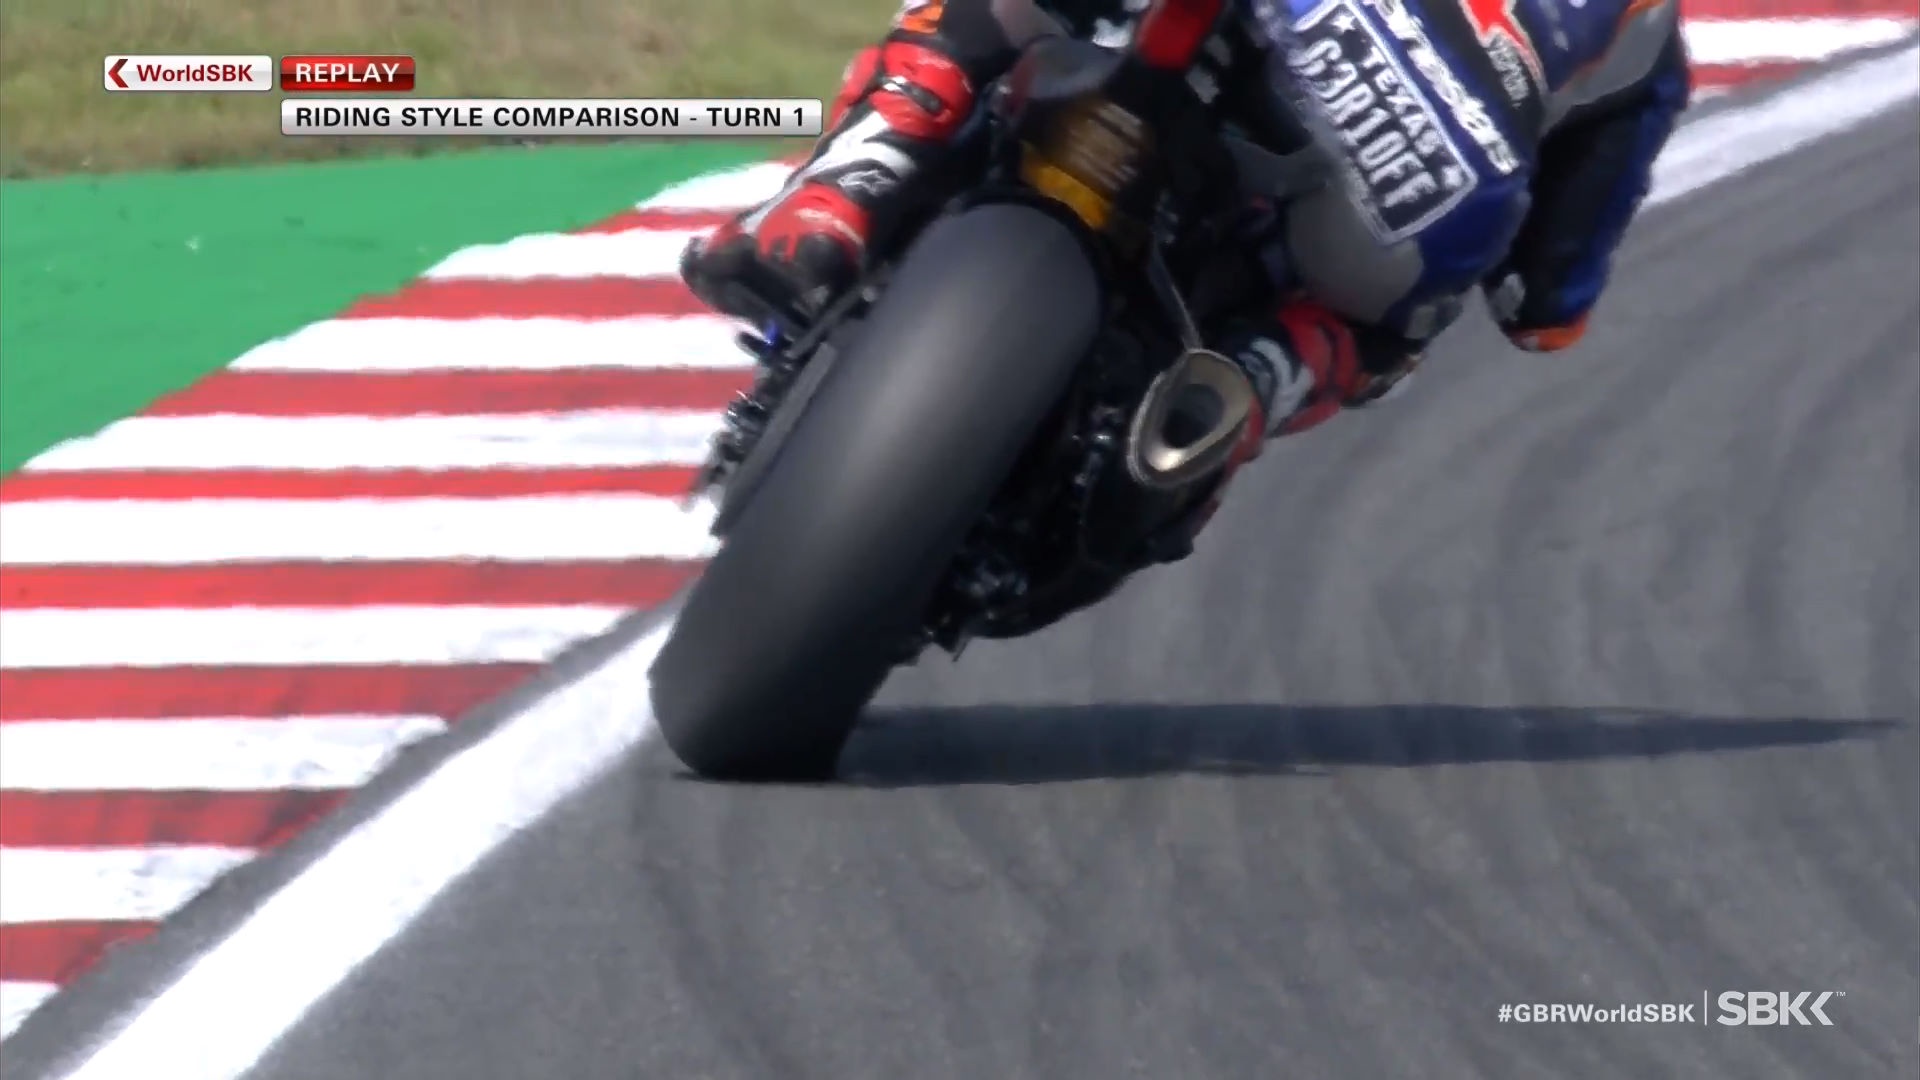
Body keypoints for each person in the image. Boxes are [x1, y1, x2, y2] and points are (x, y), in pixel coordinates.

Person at [680, 0, 1690, 507]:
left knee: (983, 12)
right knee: (1389, 326)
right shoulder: (1650, 33)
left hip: (1289, 34)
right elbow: (1543, 310)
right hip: (1437, 164)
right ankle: (1246, 387)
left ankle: (836, 198)